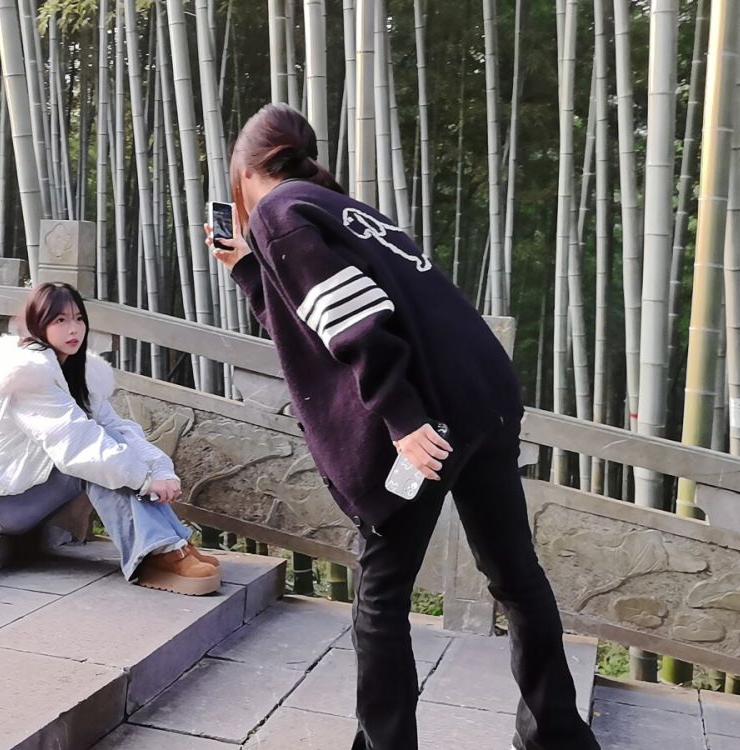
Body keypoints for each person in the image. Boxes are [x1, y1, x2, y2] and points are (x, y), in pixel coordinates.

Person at [209, 103, 600, 750]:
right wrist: (250, 271)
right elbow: (317, 315)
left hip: (432, 415)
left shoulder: (278, 211)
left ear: (245, 170)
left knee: (381, 595)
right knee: (516, 576)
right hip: (485, 396)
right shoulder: (342, 207)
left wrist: (402, 416)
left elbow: (352, 317)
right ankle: (558, 737)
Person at [0, 281, 221, 596]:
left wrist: (159, 469)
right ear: (38, 323)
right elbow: (78, 445)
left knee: (111, 447)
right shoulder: (29, 375)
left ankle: (174, 544)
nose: (73, 329)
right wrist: (145, 481)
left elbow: (117, 429)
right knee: (96, 463)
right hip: (0, 507)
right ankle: (157, 553)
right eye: (60, 320)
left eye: (78, 319)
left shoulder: (75, 372)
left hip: (37, 492)